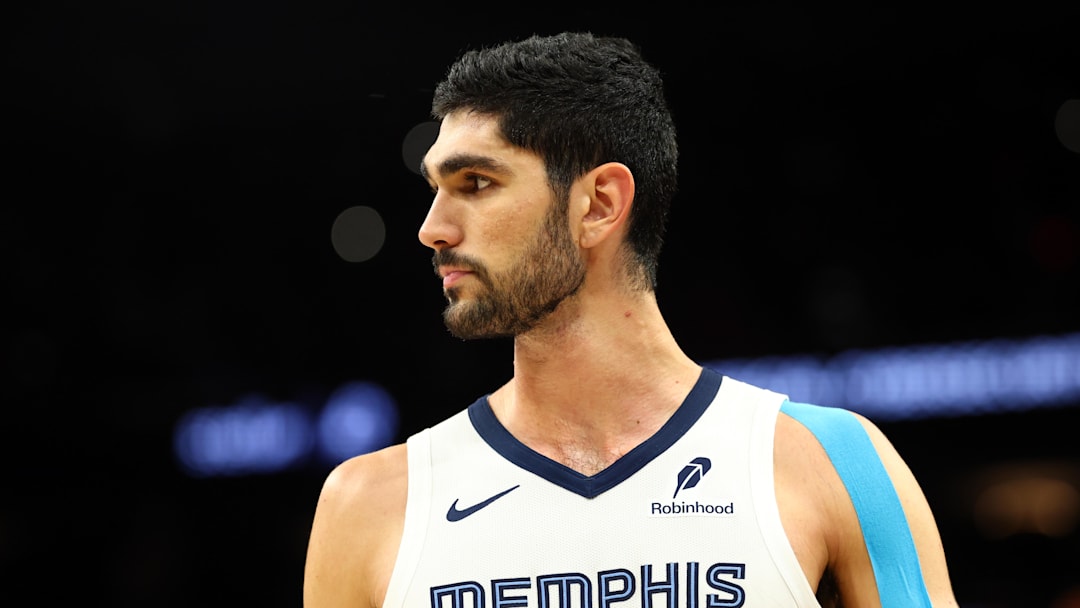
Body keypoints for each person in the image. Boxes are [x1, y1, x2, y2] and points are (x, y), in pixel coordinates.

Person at [303, 31, 960, 608]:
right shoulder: (367, 506)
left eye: (475, 183)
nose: (431, 229)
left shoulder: (835, 464)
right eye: (435, 191)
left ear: (599, 204)